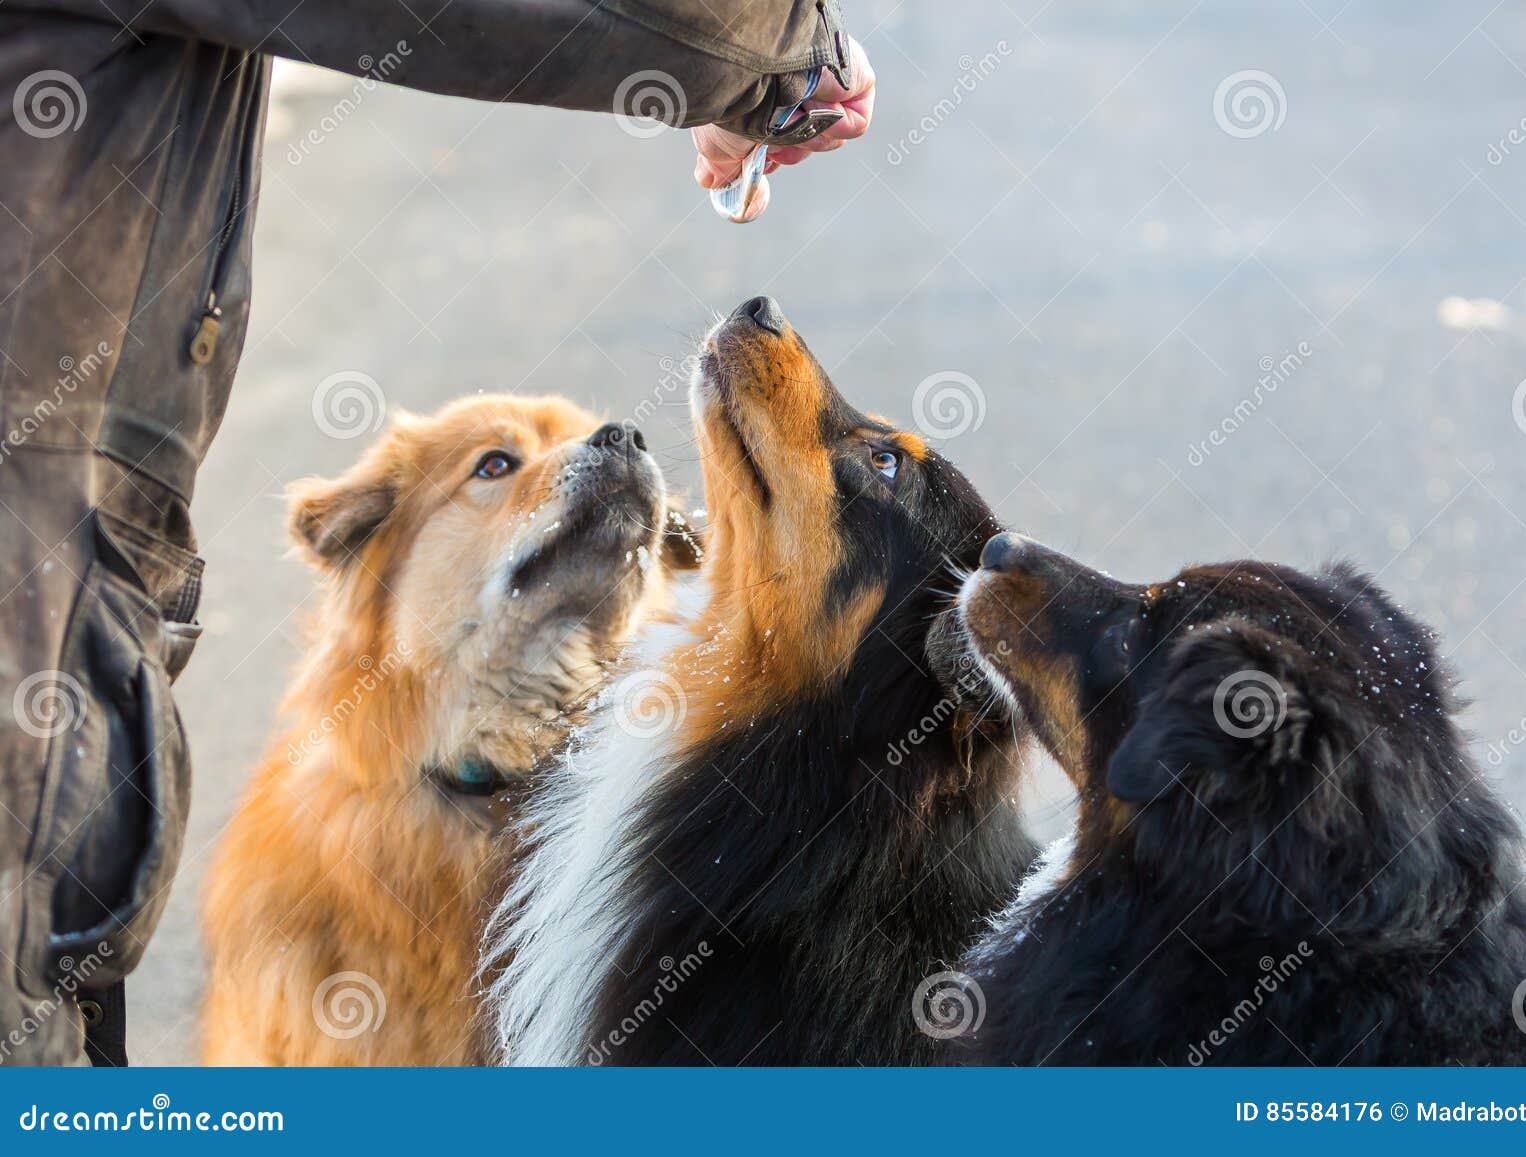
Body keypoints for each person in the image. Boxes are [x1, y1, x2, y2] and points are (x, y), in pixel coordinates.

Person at [0, 0, 875, 1066]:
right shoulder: (311, 872)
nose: (574, 462)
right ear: (363, 547)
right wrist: (770, 55)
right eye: (496, 467)